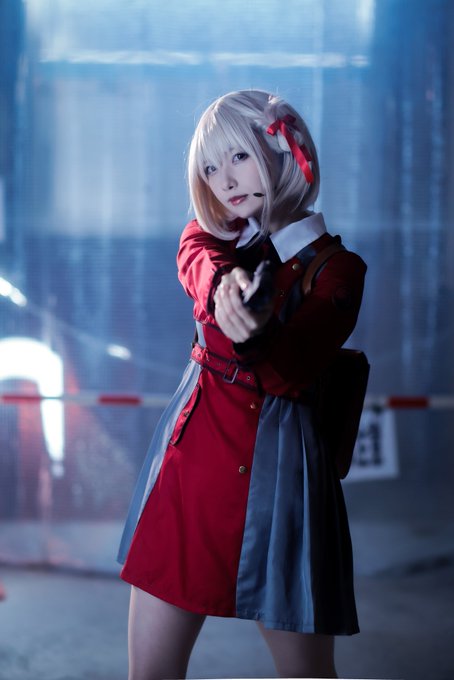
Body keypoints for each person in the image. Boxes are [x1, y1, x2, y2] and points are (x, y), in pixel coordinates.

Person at [118, 89, 367, 680]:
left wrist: (255, 331)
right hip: (193, 466)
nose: (224, 180)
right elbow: (196, 257)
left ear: (286, 153)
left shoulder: (338, 269)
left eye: (239, 156)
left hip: (281, 476)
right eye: (210, 167)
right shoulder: (214, 241)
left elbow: (291, 369)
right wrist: (223, 288)